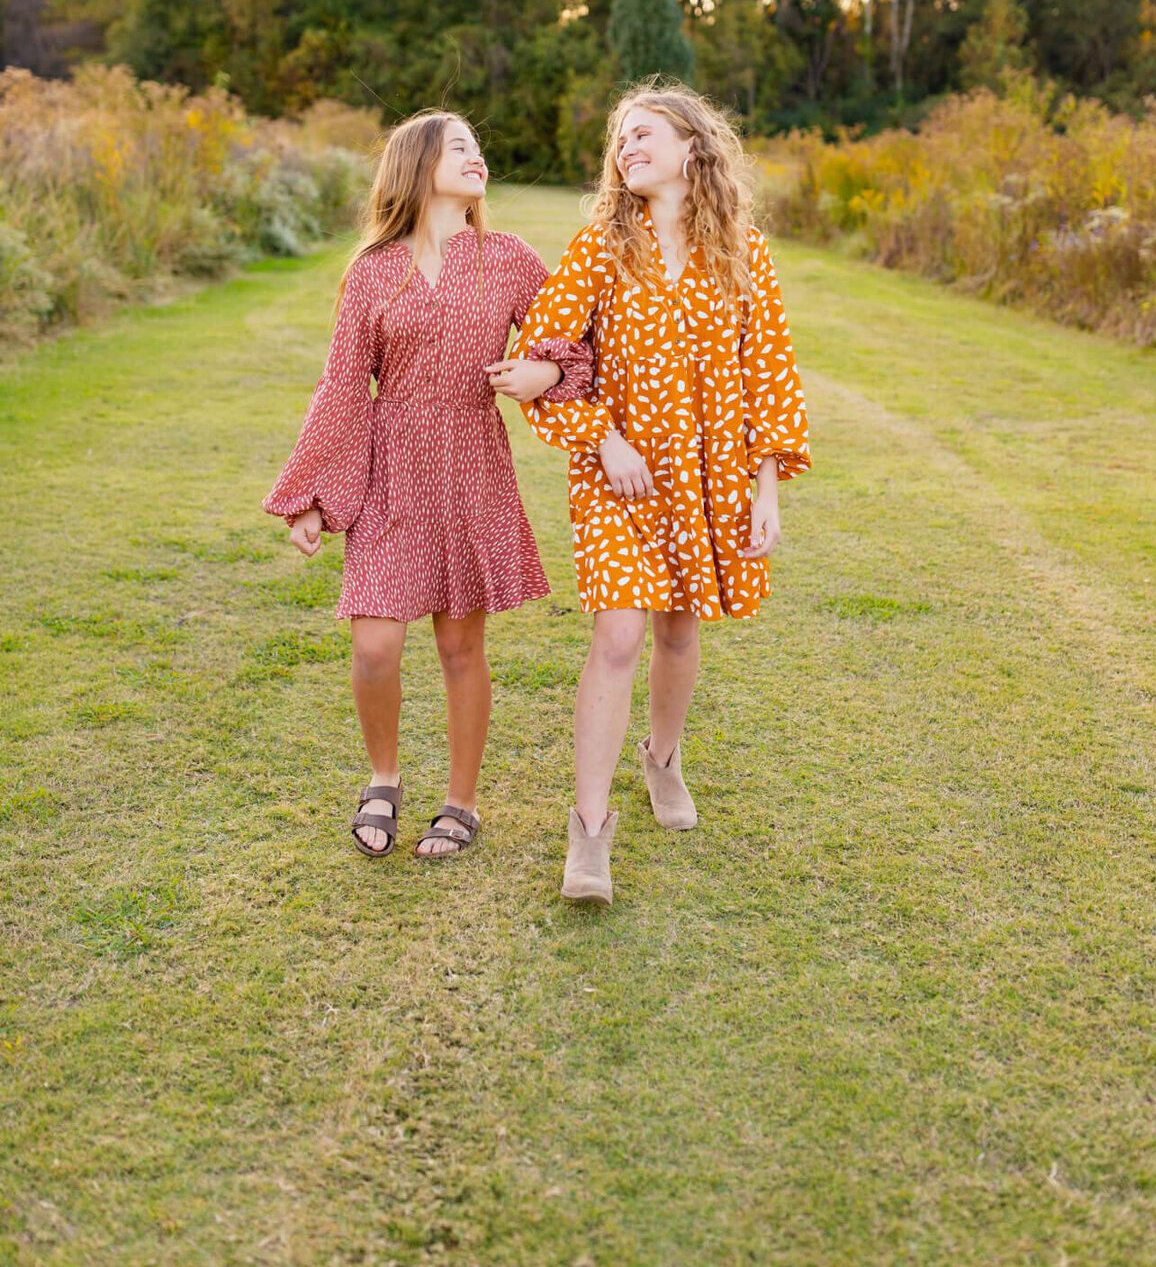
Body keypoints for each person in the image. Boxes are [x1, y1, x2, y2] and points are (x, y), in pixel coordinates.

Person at [263, 110, 591, 861]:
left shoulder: (507, 259)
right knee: (376, 645)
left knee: (459, 646)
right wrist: (313, 494)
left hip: (472, 459)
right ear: (417, 167)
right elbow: (343, 385)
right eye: (460, 149)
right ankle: (383, 779)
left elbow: (571, 341)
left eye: (480, 146)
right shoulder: (374, 270)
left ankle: (461, 803)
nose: (479, 158)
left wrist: (540, 371)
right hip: (391, 464)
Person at [514, 82, 810, 905]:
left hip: (709, 478)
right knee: (617, 636)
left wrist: (766, 486)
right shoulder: (599, 250)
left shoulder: (743, 252)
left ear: (692, 147)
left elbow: (770, 377)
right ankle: (589, 831)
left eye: (644, 133)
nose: (626, 148)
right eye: (620, 138)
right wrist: (602, 440)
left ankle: (664, 758)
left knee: (679, 632)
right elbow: (550, 353)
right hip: (618, 474)